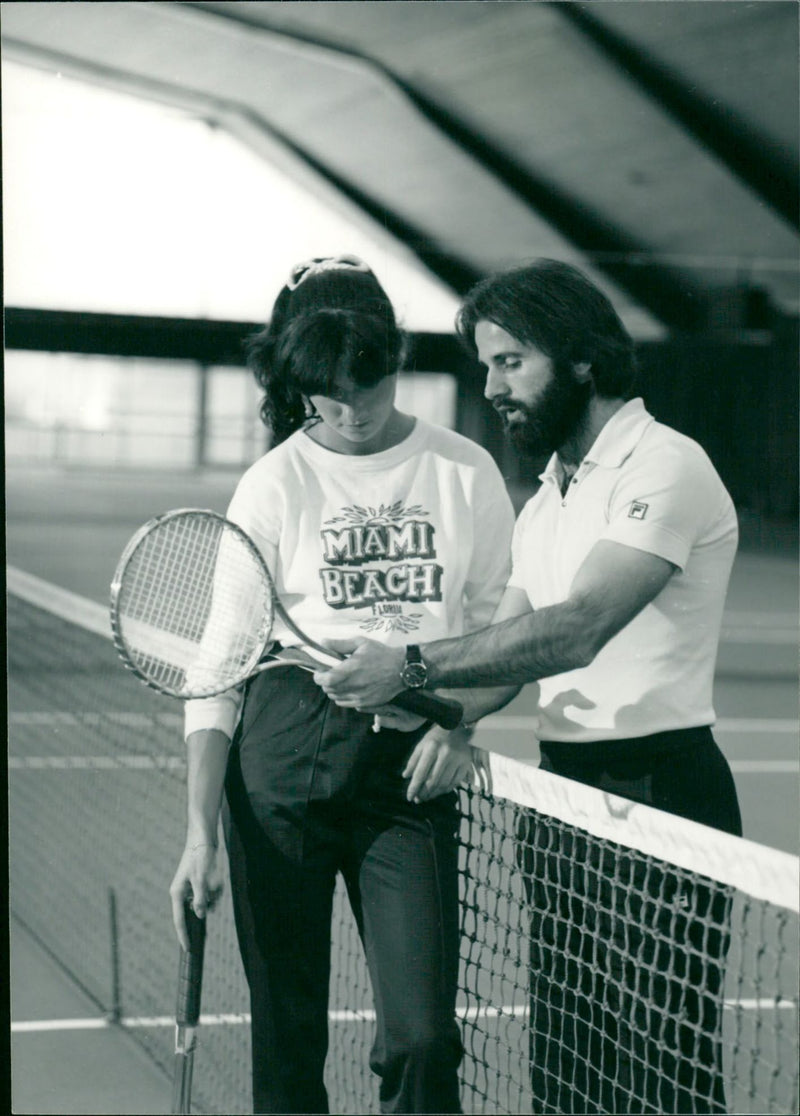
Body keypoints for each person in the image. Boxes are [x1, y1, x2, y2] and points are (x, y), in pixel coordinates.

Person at [315, 258, 743, 1114]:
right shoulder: (549, 495)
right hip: (566, 799)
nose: (493, 385)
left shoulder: (666, 465)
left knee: (659, 1074)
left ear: (582, 358)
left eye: (512, 361)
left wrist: (406, 666)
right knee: (570, 1061)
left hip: (663, 792)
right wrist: (445, 717)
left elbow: (577, 627)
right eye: (485, 365)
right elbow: (500, 651)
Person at [169, 255, 516, 1115]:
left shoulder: (465, 470)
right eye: (327, 397)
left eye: (370, 388)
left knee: (424, 1039)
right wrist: (199, 833)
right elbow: (218, 668)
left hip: (408, 775)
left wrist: (458, 722)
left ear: (396, 364)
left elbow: (500, 638)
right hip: (280, 767)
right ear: (299, 386)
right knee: (288, 1038)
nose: (353, 414)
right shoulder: (274, 483)